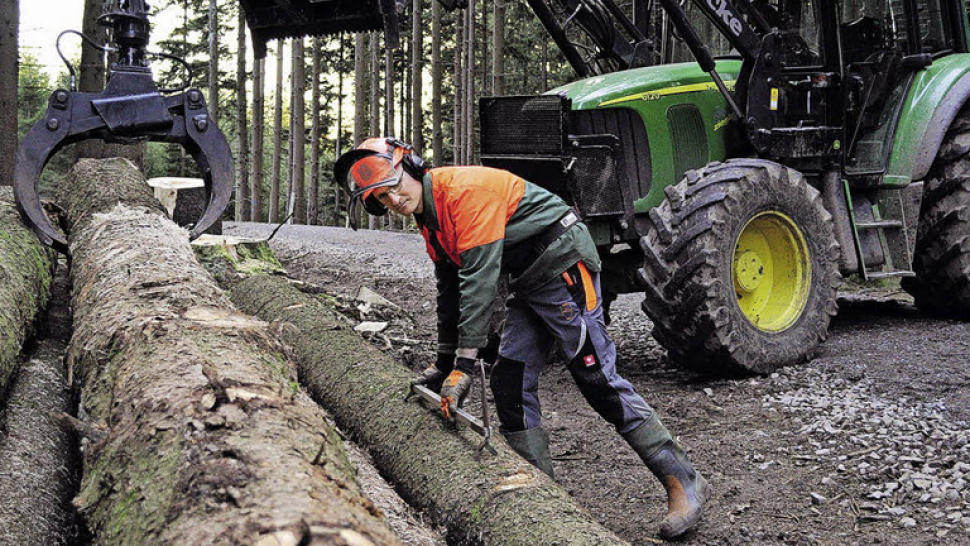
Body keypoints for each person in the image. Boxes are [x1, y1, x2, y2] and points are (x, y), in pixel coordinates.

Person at [334, 137, 710, 539]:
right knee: (509, 383)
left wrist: (463, 366)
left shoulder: (462, 193)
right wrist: (443, 364)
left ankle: (682, 479)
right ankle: (545, 499)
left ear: (411, 167)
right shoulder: (430, 221)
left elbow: (478, 283)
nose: (393, 200)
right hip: (529, 280)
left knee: (596, 377)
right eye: (381, 199)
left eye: (394, 187)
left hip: (562, 263)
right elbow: (449, 288)